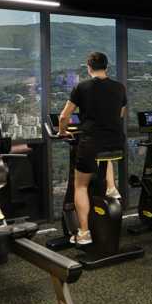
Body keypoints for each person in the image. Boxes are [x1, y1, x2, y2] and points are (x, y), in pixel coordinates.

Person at [58, 52, 127, 245]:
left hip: (91, 142)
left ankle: (84, 232)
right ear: (106, 66)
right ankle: (111, 187)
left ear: (89, 67)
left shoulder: (82, 87)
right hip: (116, 143)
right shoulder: (119, 87)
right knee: (104, 155)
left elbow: (64, 117)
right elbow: (121, 113)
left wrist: (62, 131)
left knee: (81, 186)